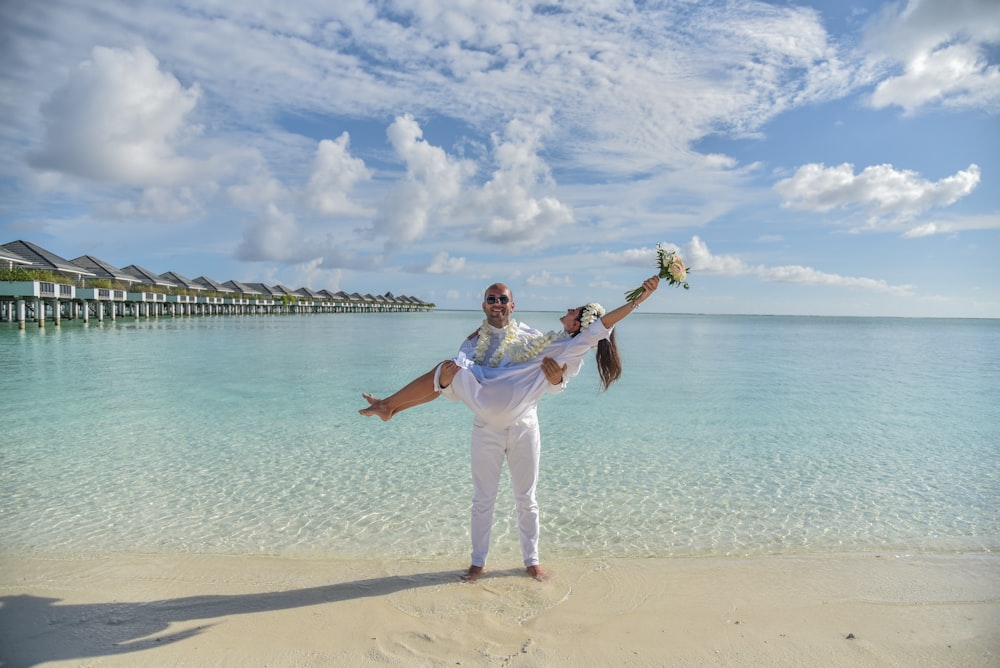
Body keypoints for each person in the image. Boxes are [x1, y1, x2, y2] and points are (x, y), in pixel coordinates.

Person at [359, 276, 660, 581]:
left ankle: (532, 561)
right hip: (485, 422)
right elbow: (449, 391)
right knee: (446, 376)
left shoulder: (539, 338)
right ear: (484, 306)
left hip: (523, 423)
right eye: (492, 299)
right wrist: (449, 381)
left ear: (512, 305)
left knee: (526, 498)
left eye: (503, 299)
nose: (497, 304)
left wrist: (557, 379)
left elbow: (568, 370)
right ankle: (477, 562)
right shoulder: (472, 342)